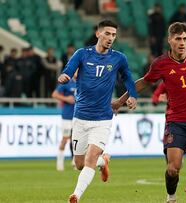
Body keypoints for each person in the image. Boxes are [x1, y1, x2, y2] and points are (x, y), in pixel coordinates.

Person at [112, 22, 186, 203]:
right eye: (178, 39)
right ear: (169, 40)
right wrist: (120, 101)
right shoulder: (161, 64)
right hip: (176, 122)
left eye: (185, 39)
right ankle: (171, 198)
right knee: (173, 169)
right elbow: (144, 82)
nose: (182, 42)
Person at [58, 20, 138, 203]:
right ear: (98, 34)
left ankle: (76, 195)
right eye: (107, 33)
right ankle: (104, 161)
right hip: (80, 118)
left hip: (102, 118)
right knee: (79, 164)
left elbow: (128, 78)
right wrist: (65, 76)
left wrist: (132, 96)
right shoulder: (82, 54)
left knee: (91, 156)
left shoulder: (119, 58)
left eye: (114, 35)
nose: (111, 38)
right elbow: (69, 70)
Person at [52, 70, 77, 171]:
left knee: (77, 140)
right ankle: (60, 163)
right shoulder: (67, 82)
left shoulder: (83, 82)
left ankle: (75, 162)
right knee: (65, 139)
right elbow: (54, 94)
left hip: (78, 116)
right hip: (67, 116)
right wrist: (66, 99)